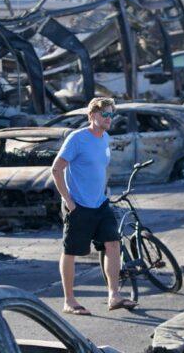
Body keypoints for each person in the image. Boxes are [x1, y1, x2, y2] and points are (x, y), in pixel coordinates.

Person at [51, 96, 136, 315]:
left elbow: (100, 169)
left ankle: (114, 295)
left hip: (100, 203)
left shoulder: (105, 138)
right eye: (104, 114)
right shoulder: (77, 138)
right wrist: (69, 201)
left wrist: (104, 191)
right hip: (78, 205)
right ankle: (69, 301)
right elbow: (56, 169)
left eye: (111, 114)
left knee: (113, 243)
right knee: (71, 251)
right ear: (92, 115)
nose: (109, 118)